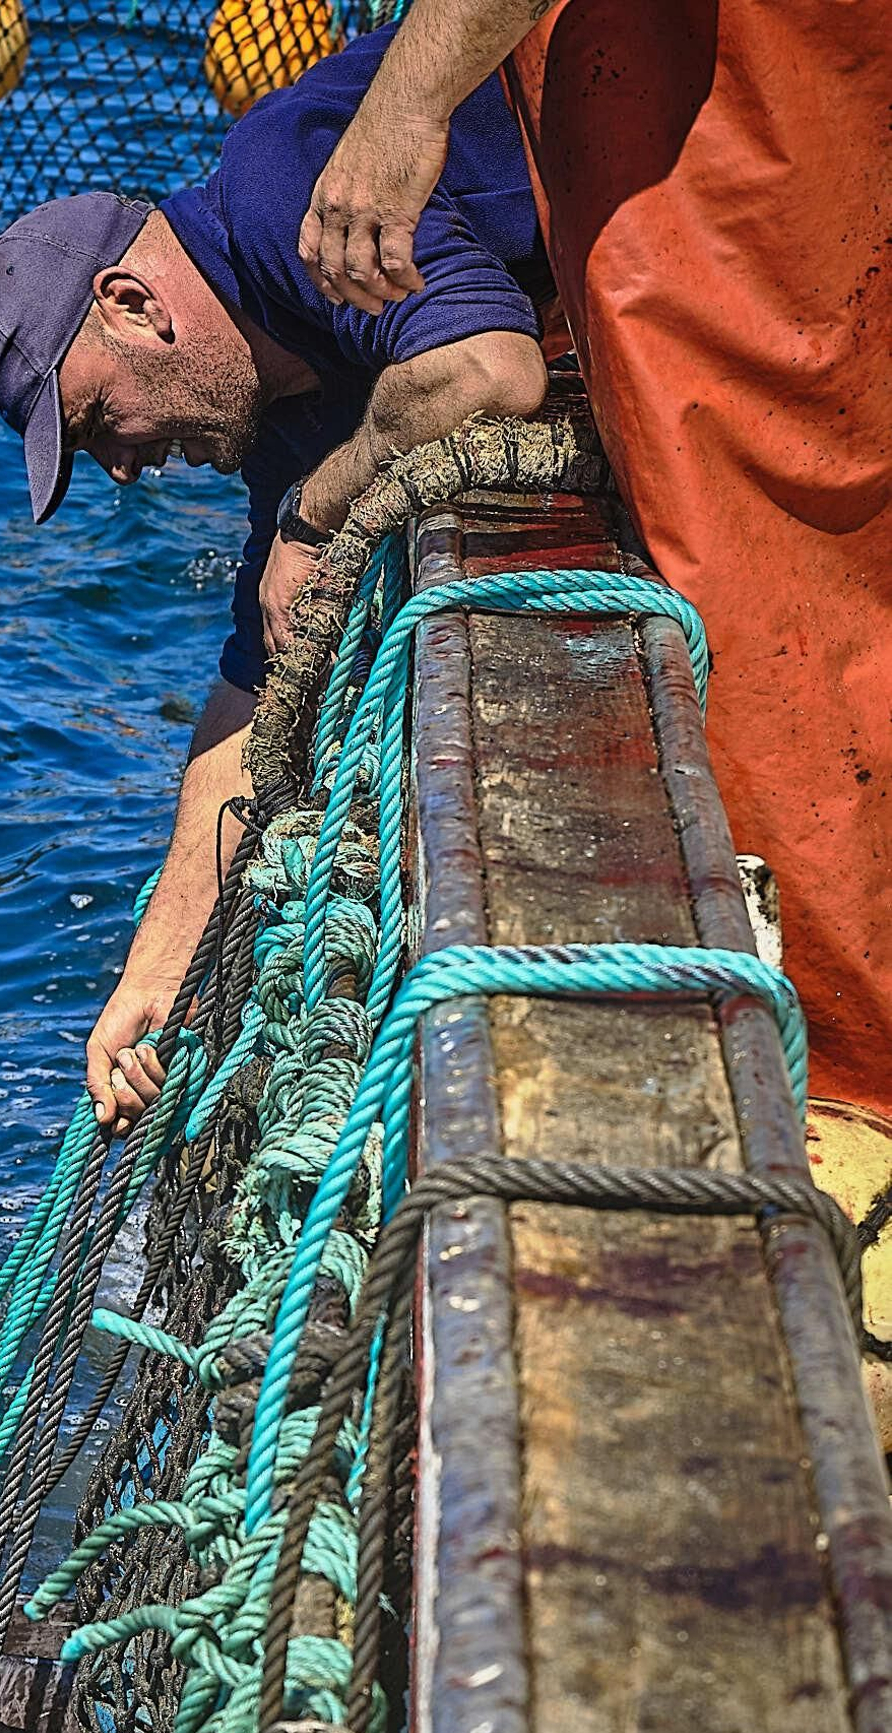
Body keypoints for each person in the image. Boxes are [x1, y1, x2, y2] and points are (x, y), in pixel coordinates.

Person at [300, 0, 892, 1140]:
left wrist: (402, 110)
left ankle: (839, 1074)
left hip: (723, 147)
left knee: (765, 541)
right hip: (738, 118)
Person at [0, 26, 550, 1134]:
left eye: (98, 424)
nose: (127, 468)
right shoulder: (277, 405)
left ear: (134, 301)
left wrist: (316, 510)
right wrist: (154, 974)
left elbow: (488, 371)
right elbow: (252, 698)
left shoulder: (282, 183)